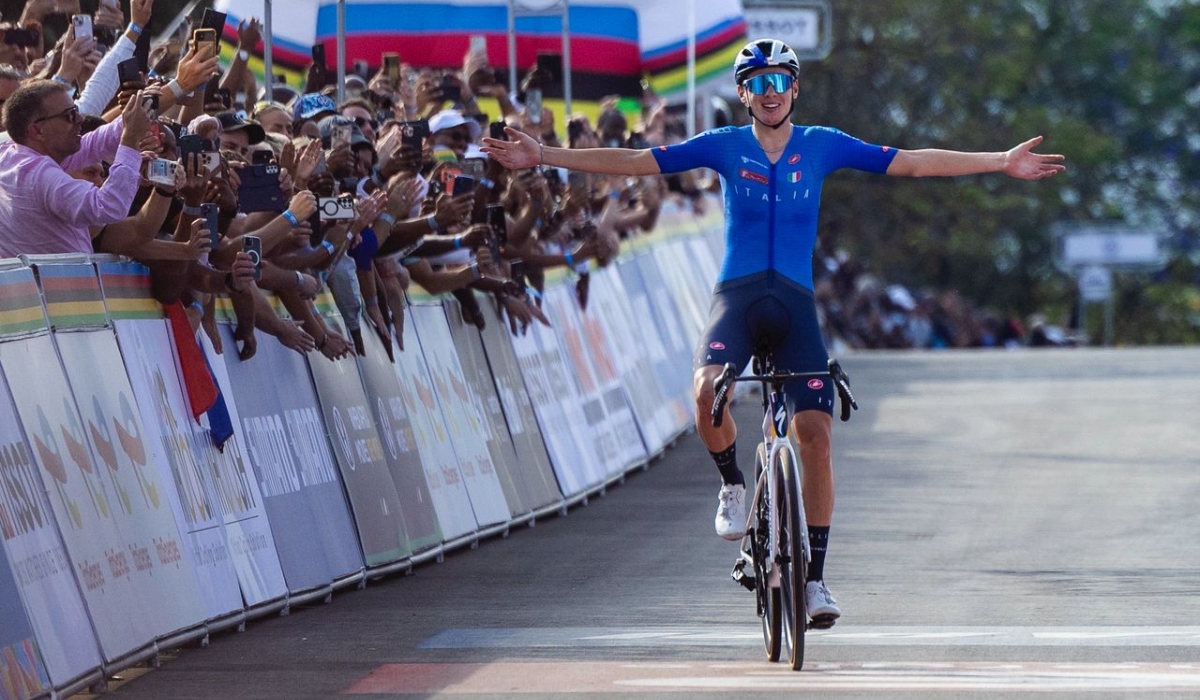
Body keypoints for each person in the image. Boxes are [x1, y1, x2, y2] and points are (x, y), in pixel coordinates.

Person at [483, 37, 1066, 626]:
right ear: (742, 94)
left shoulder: (822, 145)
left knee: (817, 432)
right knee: (708, 389)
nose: (769, 93)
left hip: (793, 303)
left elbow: (911, 160)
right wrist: (544, 156)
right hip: (737, 299)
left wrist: (998, 161)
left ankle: (814, 581)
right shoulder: (725, 145)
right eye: (757, 84)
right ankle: (733, 485)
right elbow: (639, 164)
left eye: (778, 81)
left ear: (794, 88)